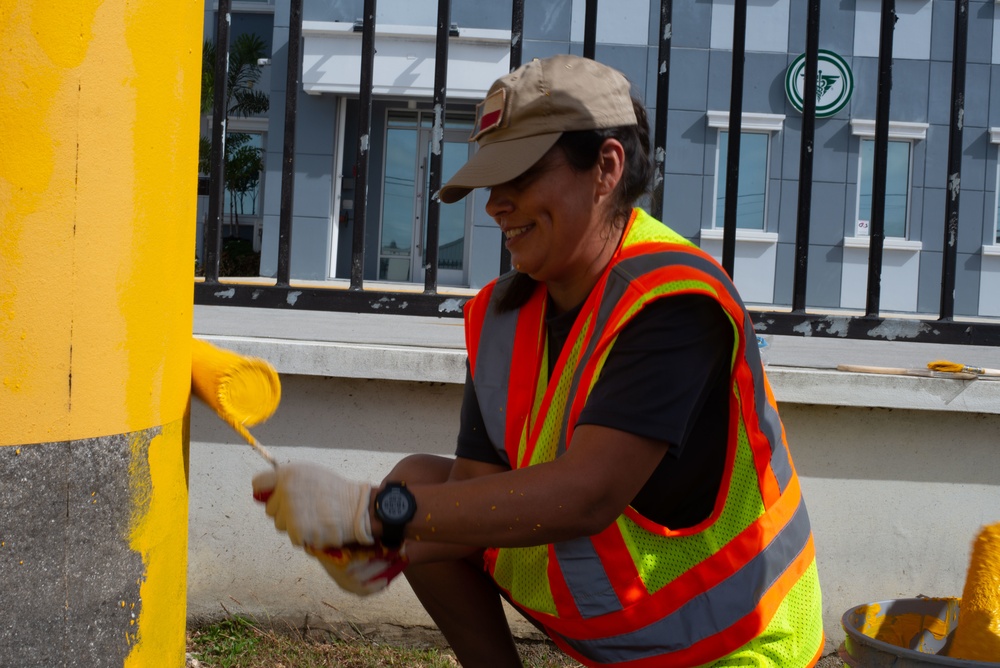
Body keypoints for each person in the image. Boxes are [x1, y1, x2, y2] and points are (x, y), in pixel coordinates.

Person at [252, 54, 825, 667]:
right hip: (619, 640)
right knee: (419, 479)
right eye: (492, 183)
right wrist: (377, 545)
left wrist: (375, 511)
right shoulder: (505, 315)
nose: (497, 203)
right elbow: (469, 499)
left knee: (409, 498)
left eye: (519, 175)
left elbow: (588, 494)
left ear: (606, 167)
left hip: (733, 646)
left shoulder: (673, 300)